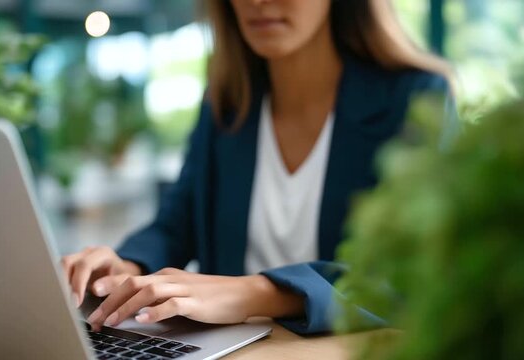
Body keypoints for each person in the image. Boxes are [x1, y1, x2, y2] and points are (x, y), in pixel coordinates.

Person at [61, 0, 454, 335]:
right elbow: (177, 225)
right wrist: (125, 269)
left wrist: (256, 293)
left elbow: (407, 276)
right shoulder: (227, 103)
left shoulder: (418, 98)